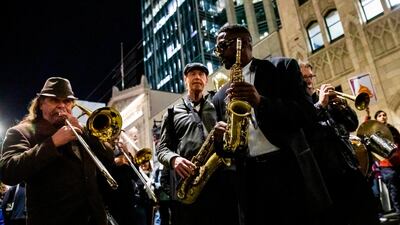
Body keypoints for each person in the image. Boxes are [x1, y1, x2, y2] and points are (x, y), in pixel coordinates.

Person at [212, 24, 331, 225]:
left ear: (244, 42)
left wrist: (261, 102)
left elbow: (307, 114)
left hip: (289, 169)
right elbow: (229, 151)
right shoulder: (219, 96)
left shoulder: (283, 68)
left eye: (223, 45)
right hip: (250, 180)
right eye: (218, 48)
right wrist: (219, 141)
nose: (219, 53)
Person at [0, 77, 114, 225]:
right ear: (41, 103)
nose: (61, 106)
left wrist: (86, 134)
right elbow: (8, 171)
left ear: (72, 105)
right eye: (54, 100)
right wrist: (53, 143)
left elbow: (109, 158)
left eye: (66, 101)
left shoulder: (82, 131)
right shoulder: (22, 132)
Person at [157, 62, 240, 225]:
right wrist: (174, 159)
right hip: (191, 180)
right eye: (192, 74)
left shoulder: (218, 103)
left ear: (206, 79)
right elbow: (162, 148)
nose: (197, 77)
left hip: (221, 176)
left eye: (201, 74)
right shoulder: (172, 113)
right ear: (185, 79)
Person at [299, 61, 380, 225]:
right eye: (304, 77)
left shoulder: (328, 101)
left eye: (310, 76)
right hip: (326, 177)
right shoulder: (299, 104)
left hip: (350, 167)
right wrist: (321, 104)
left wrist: (341, 106)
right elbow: (305, 127)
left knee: (369, 215)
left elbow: (351, 125)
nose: (308, 81)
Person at [373, 110, 400, 213]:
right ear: (376, 119)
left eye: (384, 115)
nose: (383, 117)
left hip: (398, 162)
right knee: (394, 191)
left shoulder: (392, 129)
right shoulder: (375, 131)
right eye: (380, 116)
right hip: (387, 166)